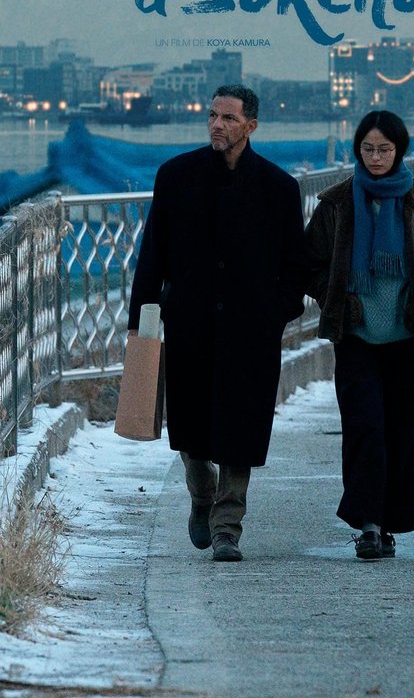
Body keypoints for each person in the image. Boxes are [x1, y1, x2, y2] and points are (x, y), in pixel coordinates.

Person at [127, 85, 305, 562]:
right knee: (189, 425)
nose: (216, 125)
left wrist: (275, 312)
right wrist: (140, 318)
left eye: (228, 118)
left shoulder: (279, 188)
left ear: (251, 126)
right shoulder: (176, 176)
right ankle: (201, 491)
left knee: (240, 429)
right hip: (190, 322)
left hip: (251, 330)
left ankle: (228, 526)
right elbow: (153, 254)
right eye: (212, 116)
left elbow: (295, 265)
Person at [304, 110, 414, 561]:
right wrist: (337, 299)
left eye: (385, 149)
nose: (376, 157)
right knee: (365, 427)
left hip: (408, 339)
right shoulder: (337, 203)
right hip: (356, 338)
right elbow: (308, 263)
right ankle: (369, 527)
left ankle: (388, 523)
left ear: (399, 150)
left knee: (399, 432)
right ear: (358, 150)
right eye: (368, 149)